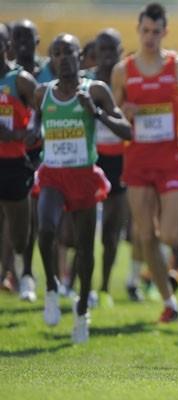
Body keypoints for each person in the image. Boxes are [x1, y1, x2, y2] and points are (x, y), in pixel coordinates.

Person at [111, 3, 178, 322]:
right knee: (145, 234)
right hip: (137, 161)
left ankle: (163, 273)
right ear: (138, 31)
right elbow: (113, 111)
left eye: (156, 32)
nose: (150, 37)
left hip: (170, 160)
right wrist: (124, 112)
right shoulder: (123, 70)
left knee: (171, 234)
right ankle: (169, 302)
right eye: (145, 31)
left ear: (165, 32)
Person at [34, 33, 131, 343]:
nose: (63, 58)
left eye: (69, 52)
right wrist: (29, 136)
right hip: (52, 174)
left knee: (86, 249)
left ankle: (81, 309)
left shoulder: (96, 90)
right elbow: (34, 125)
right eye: (57, 53)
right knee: (46, 229)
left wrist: (97, 112)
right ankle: (50, 287)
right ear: (52, 61)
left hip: (84, 175)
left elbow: (126, 130)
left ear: (80, 57)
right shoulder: (42, 94)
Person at [87, 29, 127, 308]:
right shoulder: (84, 81)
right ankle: (79, 283)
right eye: (103, 51)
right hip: (89, 158)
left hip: (121, 160)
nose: (108, 56)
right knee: (80, 230)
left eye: (113, 50)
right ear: (95, 53)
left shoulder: (127, 79)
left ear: (120, 51)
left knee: (112, 231)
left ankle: (103, 287)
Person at [0, 23, 37, 301]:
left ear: (7, 48)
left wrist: (30, 134)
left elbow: (44, 112)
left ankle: (25, 273)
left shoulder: (20, 80)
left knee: (19, 233)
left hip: (15, 164)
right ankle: (7, 275)